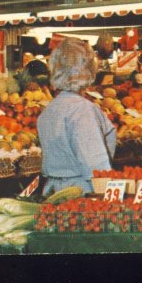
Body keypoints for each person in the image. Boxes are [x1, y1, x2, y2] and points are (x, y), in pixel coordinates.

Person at [37, 38, 116, 195]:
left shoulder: (48, 110)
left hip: (52, 189)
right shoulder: (83, 111)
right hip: (81, 191)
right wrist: (107, 193)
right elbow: (96, 164)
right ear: (88, 69)